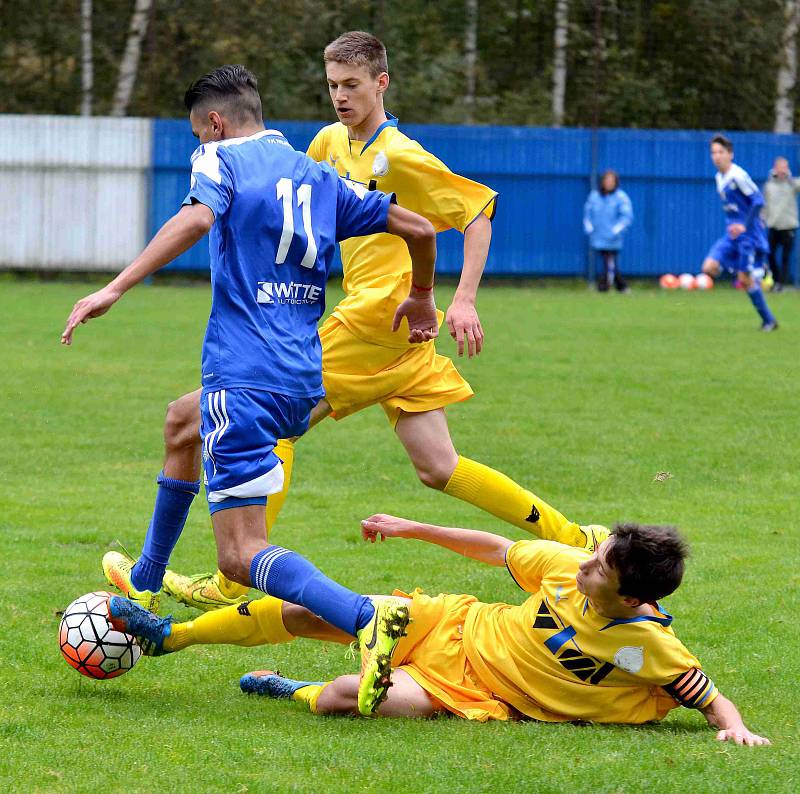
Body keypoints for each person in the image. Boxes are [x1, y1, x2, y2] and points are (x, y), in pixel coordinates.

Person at [100, 31, 609, 619]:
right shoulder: (325, 143)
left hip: (376, 320)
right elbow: (287, 197)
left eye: (352, 85)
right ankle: (575, 538)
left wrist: (460, 299)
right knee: (438, 466)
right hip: (399, 337)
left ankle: (234, 575)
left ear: (381, 84)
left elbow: (477, 211)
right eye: (333, 85)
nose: (340, 97)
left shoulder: (402, 154)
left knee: (243, 421)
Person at [61, 64, 442, 714]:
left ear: (214, 123)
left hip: (243, 375)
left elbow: (195, 221)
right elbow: (423, 230)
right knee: (181, 423)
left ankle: (365, 618)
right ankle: (146, 584)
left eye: (197, 132)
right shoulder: (319, 177)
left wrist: (113, 288)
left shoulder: (219, 160)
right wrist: (424, 298)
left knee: (240, 557)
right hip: (300, 377)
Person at [108, 500, 769, 746]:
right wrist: (409, 527)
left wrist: (735, 729)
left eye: (600, 569)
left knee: (347, 697)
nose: (585, 566)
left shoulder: (649, 647)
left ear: (630, 599)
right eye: (593, 554)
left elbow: (708, 699)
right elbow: (492, 548)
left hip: (474, 696)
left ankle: (285, 688)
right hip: (450, 625)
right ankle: (172, 637)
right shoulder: (569, 567)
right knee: (312, 613)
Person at [701, 134, 778, 331]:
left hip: (748, 237)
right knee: (709, 267)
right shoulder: (719, 178)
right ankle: (743, 271)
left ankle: (769, 320)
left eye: (721, 152)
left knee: (746, 281)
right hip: (731, 235)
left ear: (730, 154)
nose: (717, 156)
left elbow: (758, 200)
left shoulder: (738, 176)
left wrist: (744, 224)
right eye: (713, 153)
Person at [583, 170, 633, 292]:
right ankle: (620, 286)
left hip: (613, 238)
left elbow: (627, 216)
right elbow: (587, 214)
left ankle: (605, 286)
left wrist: (616, 230)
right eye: (607, 180)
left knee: (610, 261)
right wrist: (589, 227)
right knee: (609, 262)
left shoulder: (621, 197)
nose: (609, 183)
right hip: (598, 236)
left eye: (612, 181)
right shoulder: (595, 196)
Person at [763, 156, 800, 291]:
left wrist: (789, 178)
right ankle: (776, 279)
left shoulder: (792, 184)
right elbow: (764, 205)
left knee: (785, 256)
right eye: (781, 167)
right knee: (770, 254)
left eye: (785, 167)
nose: (783, 170)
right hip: (773, 225)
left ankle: (781, 285)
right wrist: (762, 219)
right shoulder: (769, 185)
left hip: (789, 226)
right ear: (775, 168)